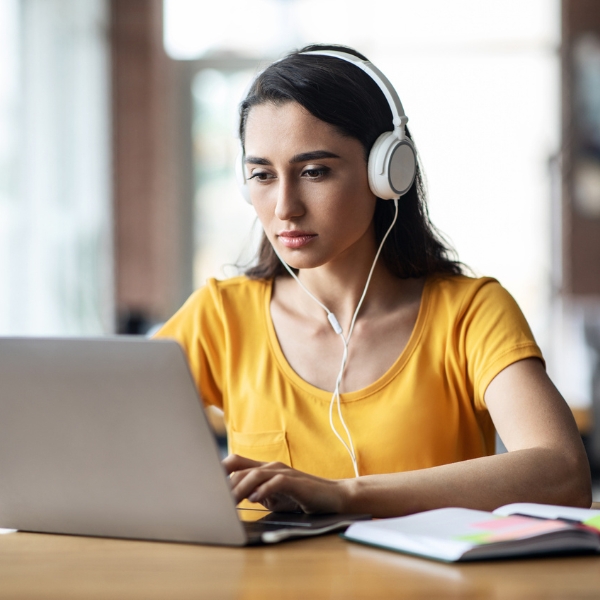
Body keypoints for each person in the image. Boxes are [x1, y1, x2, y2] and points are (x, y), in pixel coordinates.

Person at [155, 44, 591, 517]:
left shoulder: (469, 313)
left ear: (387, 172)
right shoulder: (219, 317)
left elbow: (563, 473)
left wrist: (346, 495)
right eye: (262, 175)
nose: (284, 207)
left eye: (314, 171)